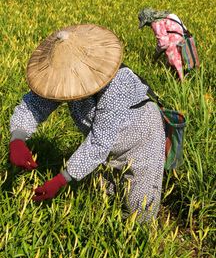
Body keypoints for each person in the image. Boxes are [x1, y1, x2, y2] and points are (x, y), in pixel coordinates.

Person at [9, 24, 165, 223]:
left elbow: (99, 142)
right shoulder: (63, 76)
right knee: (105, 195)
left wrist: (60, 180)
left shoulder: (118, 83)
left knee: (138, 206)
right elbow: (33, 105)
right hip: (104, 143)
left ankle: (141, 241)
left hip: (141, 139)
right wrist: (18, 139)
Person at [138, 8, 188, 81]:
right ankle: (185, 80)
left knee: (177, 67)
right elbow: (184, 28)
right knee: (184, 63)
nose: (149, 26)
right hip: (184, 40)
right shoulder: (171, 15)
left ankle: (182, 85)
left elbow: (163, 43)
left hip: (173, 45)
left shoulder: (156, 23)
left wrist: (155, 56)